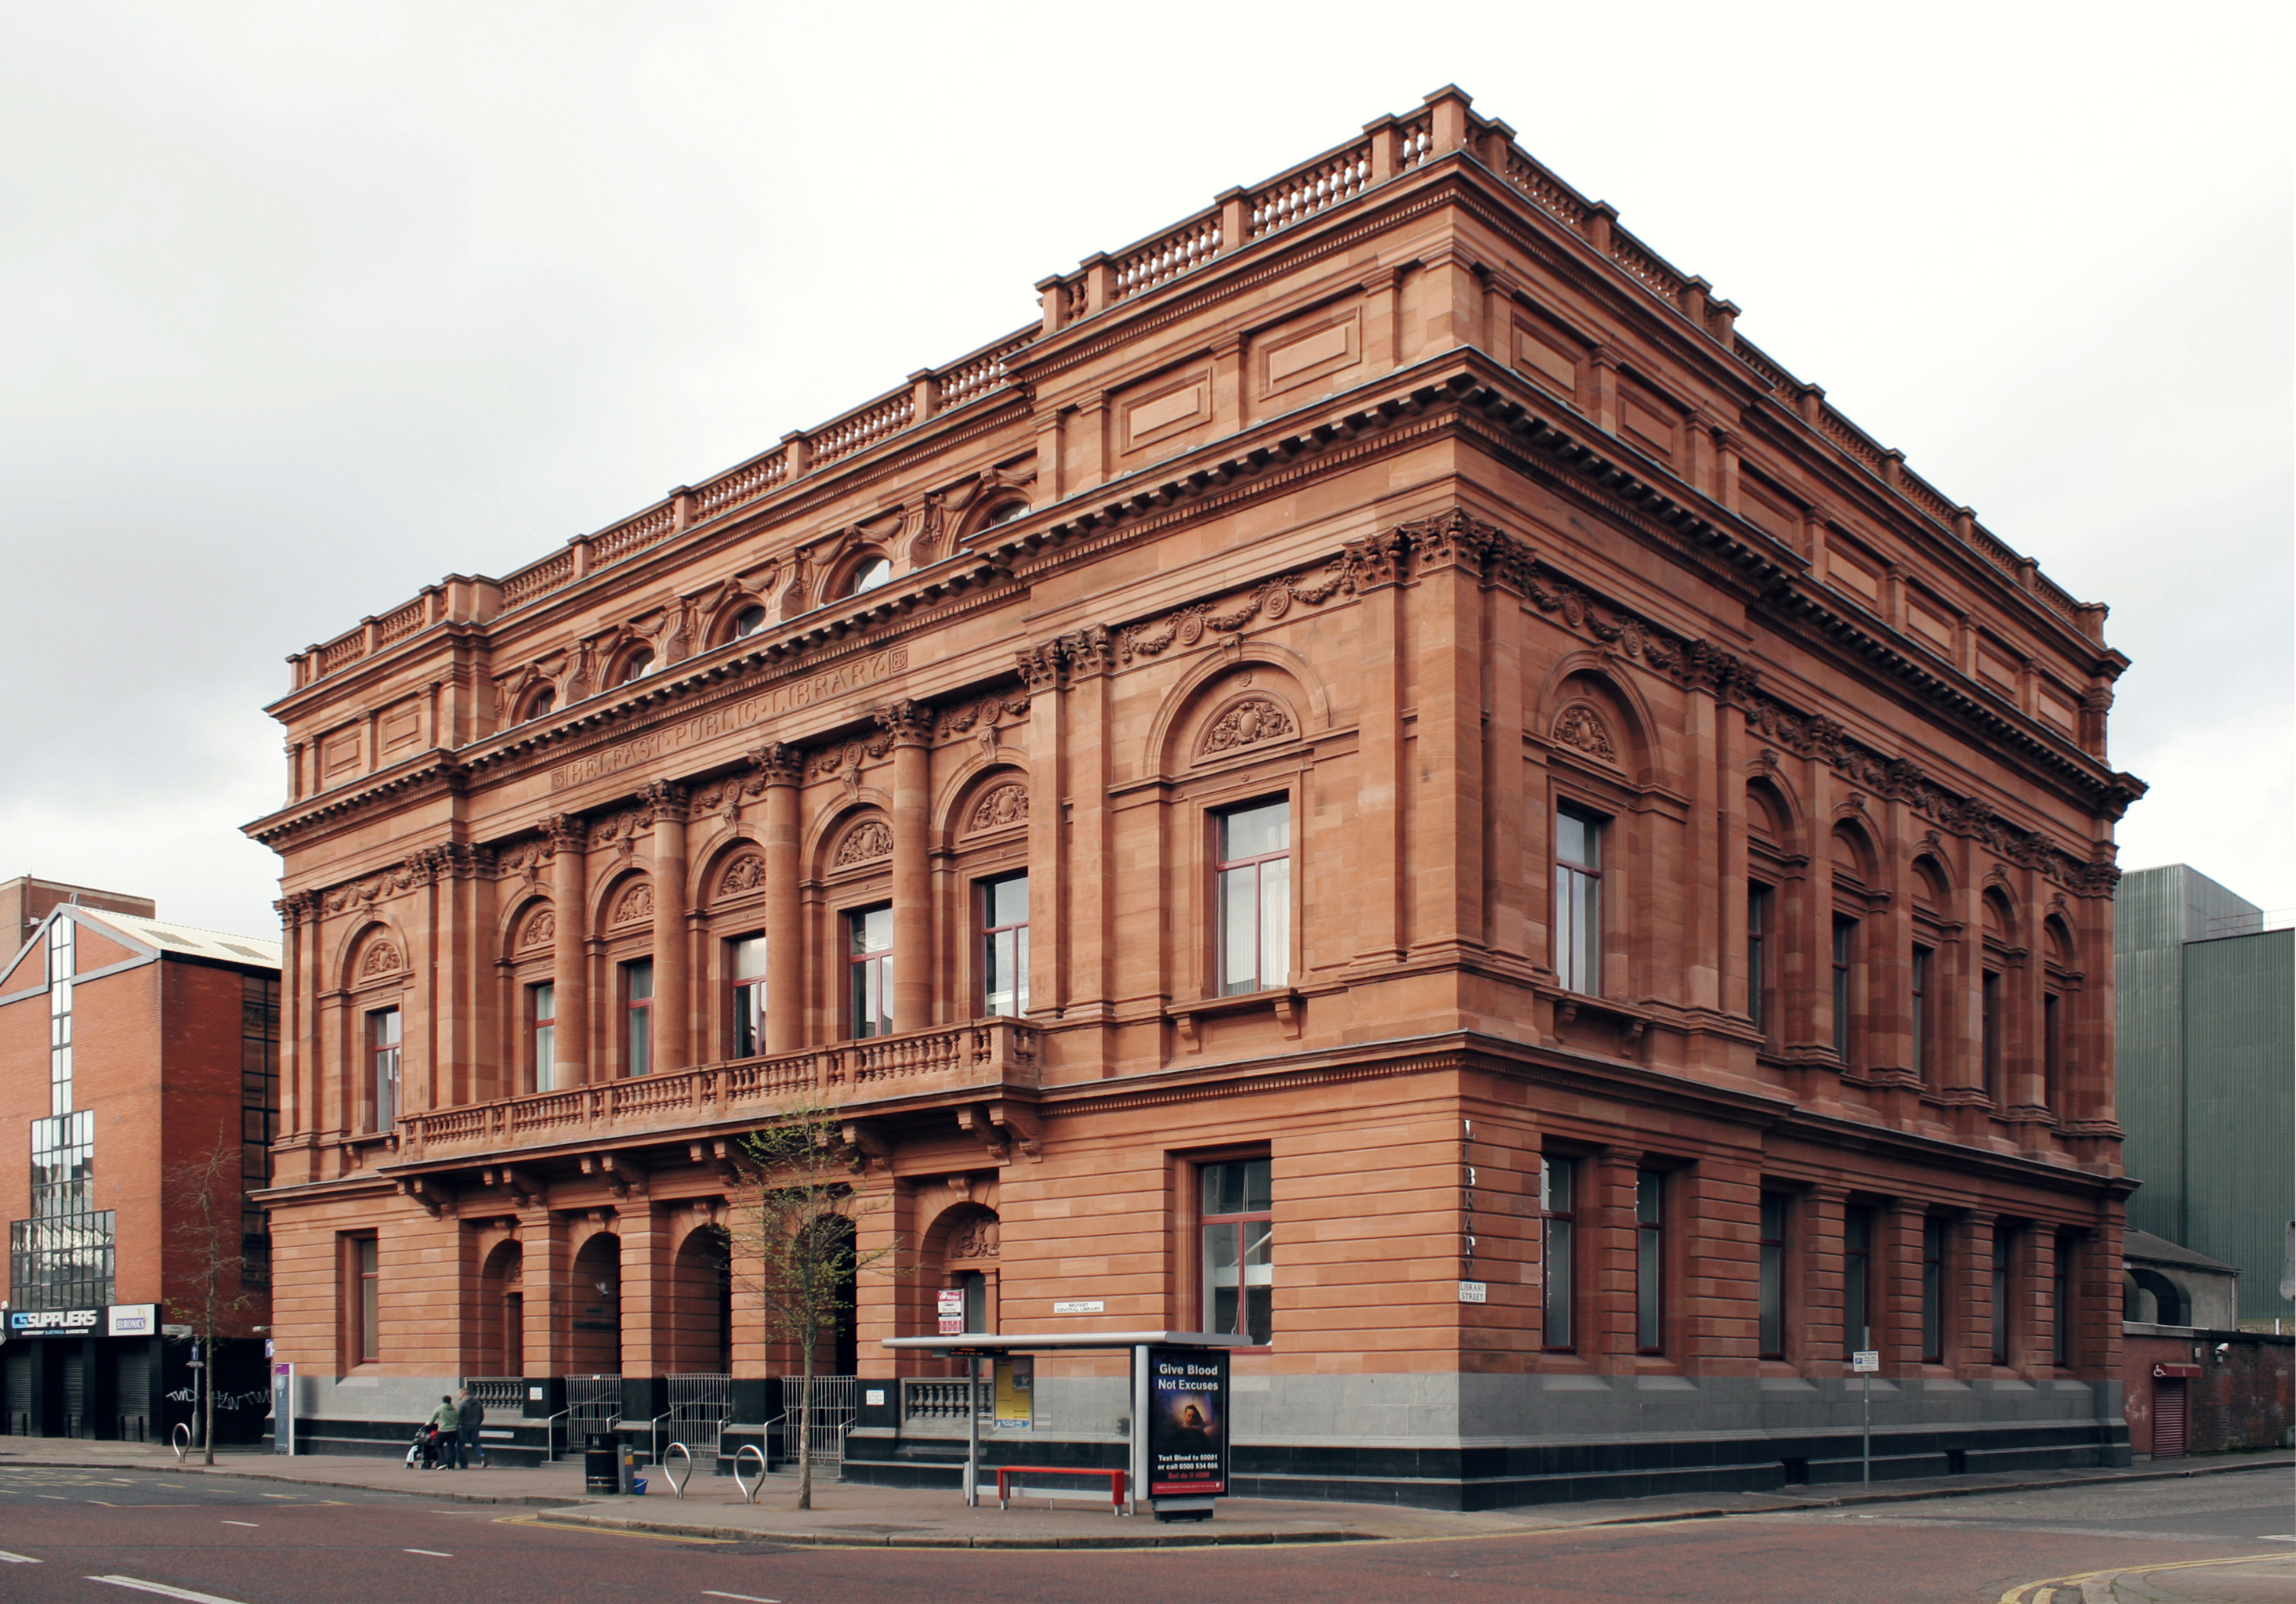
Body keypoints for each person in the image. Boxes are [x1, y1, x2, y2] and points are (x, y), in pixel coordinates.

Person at [454, 1388, 485, 1470]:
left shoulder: (462, 1403)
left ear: (463, 1394)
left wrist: (457, 1425)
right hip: (475, 1426)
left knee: (461, 1445)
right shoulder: (478, 1403)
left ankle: (464, 1464)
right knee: (476, 1443)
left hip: (463, 1427)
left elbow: (459, 1416)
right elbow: (482, 1416)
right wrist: (477, 1423)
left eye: (459, 1395)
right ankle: (482, 1455)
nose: (458, 1396)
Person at [429, 1395, 462, 1470]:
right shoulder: (454, 1410)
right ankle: (451, 1466)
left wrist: (428, 1424)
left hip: (443, 1431)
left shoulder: (439, 1409)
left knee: (439, 1446)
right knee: (451, 1448)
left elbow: (432, 1421)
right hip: (454, 1431)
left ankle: (443, 1462)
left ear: (443, 1401)